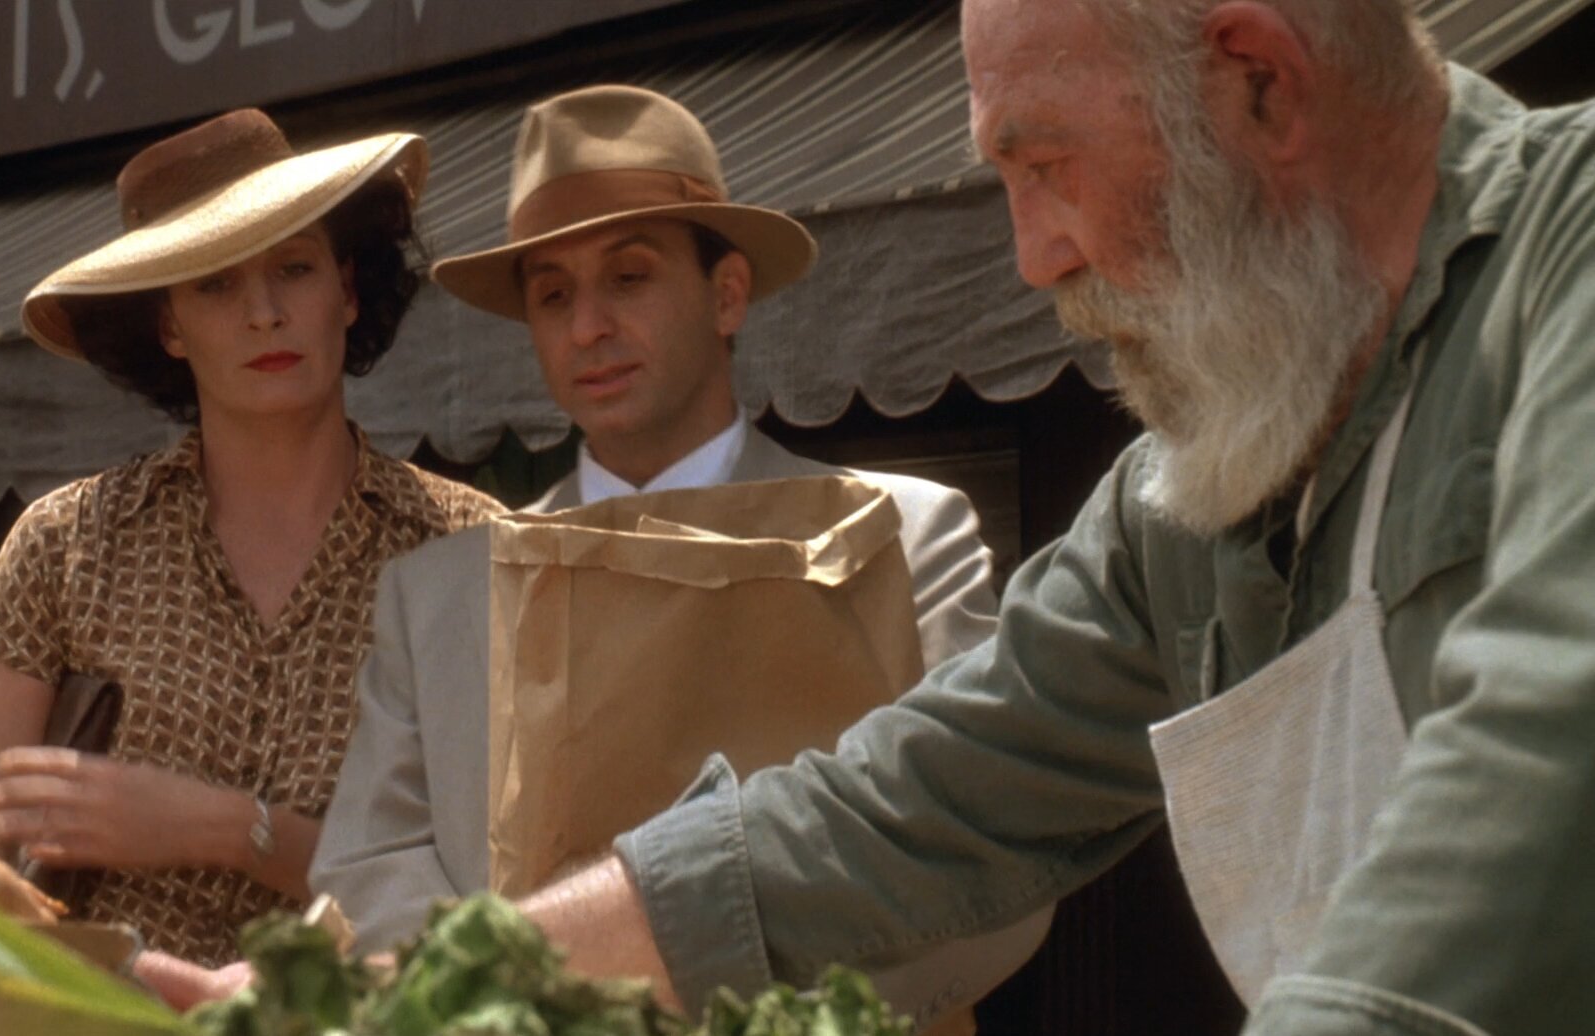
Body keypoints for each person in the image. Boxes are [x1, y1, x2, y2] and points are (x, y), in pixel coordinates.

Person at [478, 3, 1595, 1034]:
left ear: (1260, 81)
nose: (1034, 258)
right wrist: (474, 974)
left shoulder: (1565, 264)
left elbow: (1539, 770)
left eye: (1046, 167)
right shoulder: (1183, 498)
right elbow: (917, 799)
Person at [304, 85, 1048, 1026]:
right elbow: (368, 876)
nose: (588, 327)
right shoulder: (439, 595)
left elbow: (991, 845)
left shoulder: (903, 535)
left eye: (629, 277)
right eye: (554, 294)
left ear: (726, 293)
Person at [0, 109, 501, 965]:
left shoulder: (466, 546)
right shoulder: (65, 546)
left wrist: (230, 829)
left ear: (347, 290)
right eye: (214, 285)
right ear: (168, 326)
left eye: (294, 268)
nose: (264, 313)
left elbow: (496, 892)